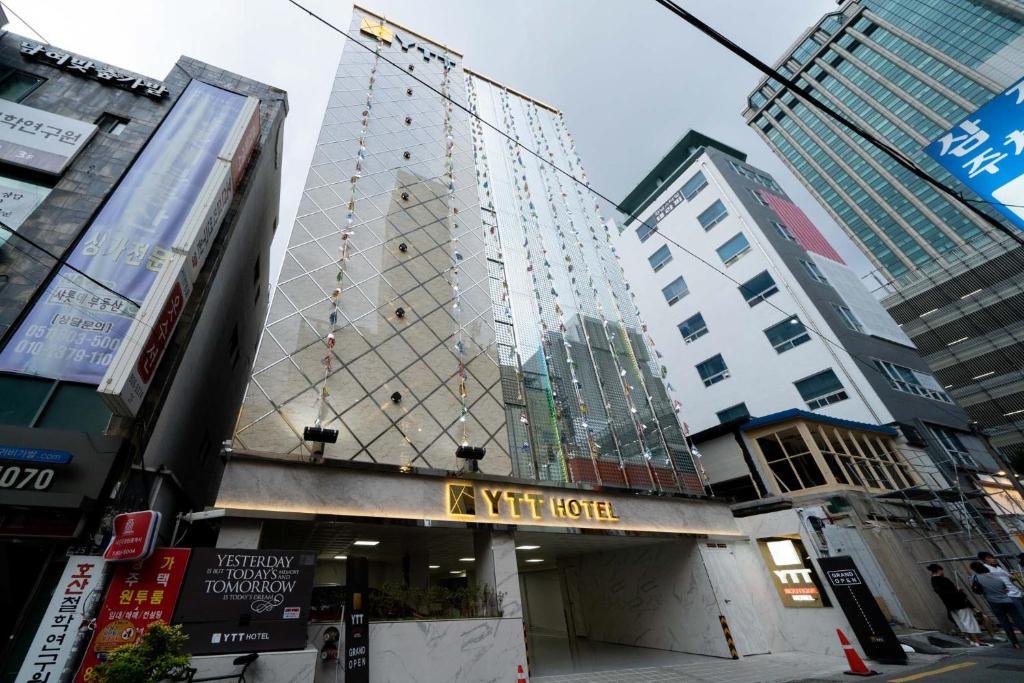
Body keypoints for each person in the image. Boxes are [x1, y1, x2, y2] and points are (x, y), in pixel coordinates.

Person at [927, 564, 988, 646]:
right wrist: (957, 591)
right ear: (939, 570)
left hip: (950, 605)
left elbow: (941, 592)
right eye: (942, 570)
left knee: (962, 623)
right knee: (968, 621)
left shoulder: (934, 581)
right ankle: (977, 641)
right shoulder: (943, 580)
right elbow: (946, 592)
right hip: (959, 603)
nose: (943, 572)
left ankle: (971, 640)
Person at [970, 561, 1024, 648]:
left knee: (1005, 623)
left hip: (994, 603)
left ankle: (1015, 643)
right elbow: (1005, 589)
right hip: (1008, 601)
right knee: (1018, 620)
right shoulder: (997, 578)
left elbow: (974, 589)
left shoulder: (975, 577)